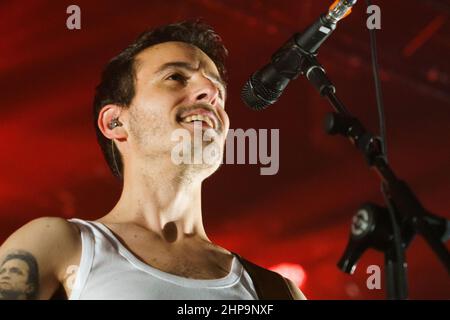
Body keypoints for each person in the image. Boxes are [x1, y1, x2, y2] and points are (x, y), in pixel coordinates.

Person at [0, 20, 306, 300]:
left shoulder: (274, 291)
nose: (210, 92)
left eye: (218, 92)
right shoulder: (63, 245)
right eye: (176, 77)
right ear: (115, 123)